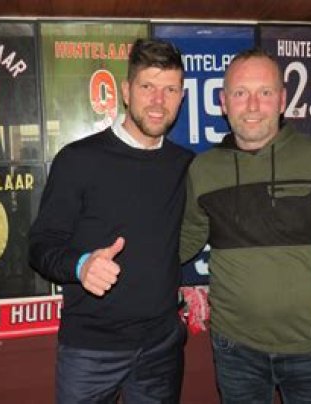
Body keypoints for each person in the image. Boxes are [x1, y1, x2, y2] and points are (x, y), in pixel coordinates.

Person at [179, 48, 311, 403]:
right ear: (223, 102)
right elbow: (182, 243)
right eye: (240, 93)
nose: (252, 105)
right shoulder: (203, 170)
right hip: (235, 351)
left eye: (264, 92)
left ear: (282, 100)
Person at [29, 38, 192, 404]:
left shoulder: (184, 165)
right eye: (147, 87)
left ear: (181, 98)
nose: (158, 101)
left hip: (161, 347)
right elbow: (40, 246)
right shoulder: (77, 160)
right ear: (126, 91)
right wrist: (81, 265)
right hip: (91, 349)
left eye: (170, 90)